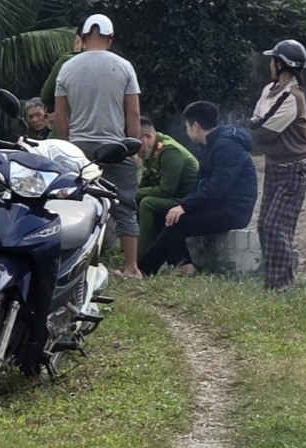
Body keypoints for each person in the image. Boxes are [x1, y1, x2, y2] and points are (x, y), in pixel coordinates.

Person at [54, 14, 144, 277]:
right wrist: (133, 146)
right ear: (110, 39)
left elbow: (61, 115)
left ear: (81, 38)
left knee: (75, 203)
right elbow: (134, 113)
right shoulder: (124, 66)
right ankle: (131, 267)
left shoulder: (67, 67)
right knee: (125, 206)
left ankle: (73, 265)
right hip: (116, 147)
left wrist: (66, 146)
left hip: (80, 150)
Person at [140, 102, 258, 277]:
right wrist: (183, 204)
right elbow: (203, 184)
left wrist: (185, 206)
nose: (187, 131)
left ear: (195, 126)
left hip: (233, 210)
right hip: (216, 205)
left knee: (176, 222)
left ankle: (143, 270)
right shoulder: (211, 145)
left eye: (187, 126)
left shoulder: (226, 146)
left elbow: (217, 187)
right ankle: (185, 266)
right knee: (162, 213)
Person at [249, 39, 306, 291]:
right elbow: (257, 119)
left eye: (272, 60)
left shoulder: (292, 97)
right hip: (276, 165)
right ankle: (274, 281)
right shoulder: (271, 90)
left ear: (280, 64)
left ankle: (280, 285)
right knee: (266, 224)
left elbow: (264, 129)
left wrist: (249, 131)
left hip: (294, 167)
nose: (270, 64)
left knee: (277, 226)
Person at [136, 116, 200, 254]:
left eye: (134, 143)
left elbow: (165, 191)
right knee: (134, 200)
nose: (134, 150)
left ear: (147, 136)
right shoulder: (149, 151)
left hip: (186, 201)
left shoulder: (170, 151)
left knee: (148, 203)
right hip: (173, 199)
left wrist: (133, 193)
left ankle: (141, 258)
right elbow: (145, 184)